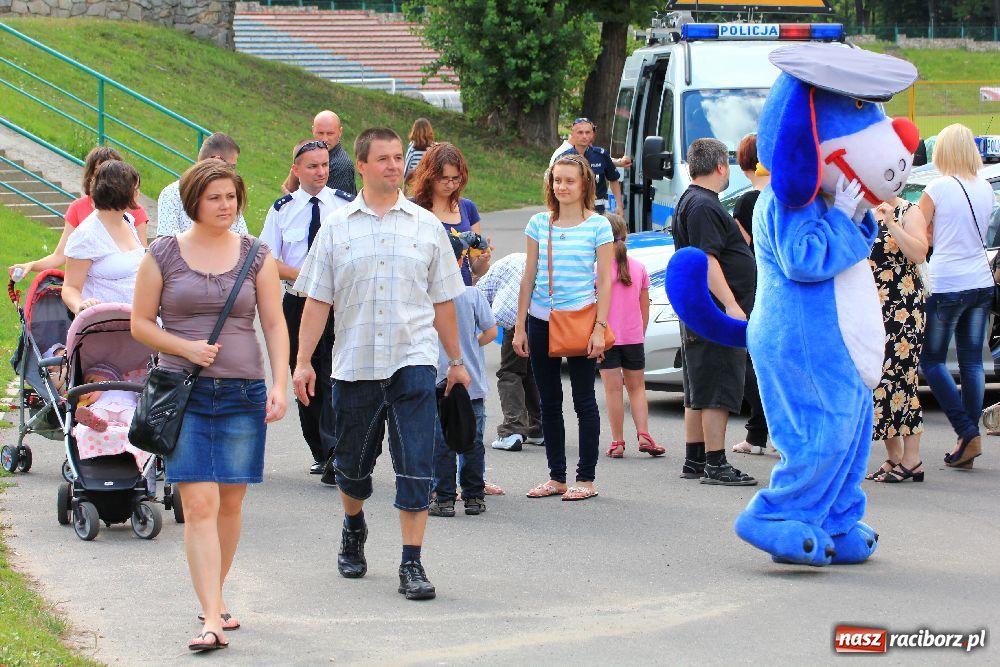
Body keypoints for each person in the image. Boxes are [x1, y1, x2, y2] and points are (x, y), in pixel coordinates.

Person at [292, 127, 468, 601]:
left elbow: (444, 302)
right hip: (354, 367)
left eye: (398, 158)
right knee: (352, 467)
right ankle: (353, 526)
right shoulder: (336, 227)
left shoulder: (426, 225)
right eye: (384, 159)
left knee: (416, 466)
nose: (394, 165)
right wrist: (303, 361)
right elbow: (316, 302)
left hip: (412, 363)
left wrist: (456, 361)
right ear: (363, 166)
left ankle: (411, 563)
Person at [131, 159, 288, 652]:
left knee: (232, 503)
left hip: (244, 393)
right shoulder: (162, 254)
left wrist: (280, 382)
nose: (226, 205)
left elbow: (274, 323)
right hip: (186, 394)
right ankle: (211, 619)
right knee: (200, 503)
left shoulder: (255, 255)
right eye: (215, 196)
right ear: (193, 201)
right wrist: (185, 348)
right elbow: (140, 324)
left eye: (231, 196)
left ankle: (214, 599)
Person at [513, 153, 614, 502]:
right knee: (548, 401)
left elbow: (605, 281)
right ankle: (556, 477)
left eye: (570, 180)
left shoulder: (599, 226)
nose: (562, 186)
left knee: (584, 400)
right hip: (541, 320)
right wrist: (520, 327)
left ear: (584, 183)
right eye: (557, 180)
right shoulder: (539, 223)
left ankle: (585, 478)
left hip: (582, 321)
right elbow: (528, 278)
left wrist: (600, 328)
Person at [260, 139, 353, 477]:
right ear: (296, 170)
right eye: (312, 166)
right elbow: (267, 259)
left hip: (336, 306)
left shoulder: (344, 206)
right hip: (298, 303)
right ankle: (319, 447)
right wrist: (305, 272)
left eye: (325, 165)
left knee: (332, 375)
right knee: (303, 376)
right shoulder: (283, 209)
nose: (321, 172)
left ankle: (335, 451)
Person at [672, 138, 757, 486]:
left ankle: (694, 458)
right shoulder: (705, 206)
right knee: (718, 384)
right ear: (721, 166)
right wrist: (732, 305)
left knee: (698, 385)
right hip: (715, 312)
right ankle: (716, 462)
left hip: (700, 309)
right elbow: (708, 259)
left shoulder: (690, 201)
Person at [917, 123, 996, 469]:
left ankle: (966, 431)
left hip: (948, 281)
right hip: (981, 279)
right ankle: (968, 437)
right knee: (973, 362)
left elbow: (919, 234)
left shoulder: (937, 187)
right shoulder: (986, 189)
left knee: (930, 360)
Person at [429, 235, 498, 517]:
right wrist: (471, 343)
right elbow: (492, 332)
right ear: (461, 260)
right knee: (472, 441)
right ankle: (473, 497)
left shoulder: (427, 296)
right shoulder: (472, 295)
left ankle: (444, 498)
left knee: (441, 441)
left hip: (438, 381)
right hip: (472, 384)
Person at [8, 146, 148, 280]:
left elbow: (142, 257)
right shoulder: (78, 208)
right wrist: (32, 265)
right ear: (91, 177)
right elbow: (60, 255)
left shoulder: (134, 211)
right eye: (99, 170)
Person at [864, 198, 928, 483]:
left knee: (903, 378)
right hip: (871, 308)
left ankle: (912, 459)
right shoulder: (864, 211)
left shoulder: (908, 211)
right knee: (878, 380)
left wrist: (891, 223)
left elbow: (919, 253)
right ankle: (895, 455)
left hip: (903, 308)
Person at [599, 214, 663, 459]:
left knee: (613, 391)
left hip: (606, 338)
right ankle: (644, 434)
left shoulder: (597, 269)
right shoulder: (639, 268)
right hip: (634, 338)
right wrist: (640, 332)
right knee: (637, 389)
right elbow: (644, 307)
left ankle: (617, 442)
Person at [730, 133, 771, 456]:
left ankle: (758, 430)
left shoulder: (746, 202)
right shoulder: (783, 198)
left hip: (754, 287)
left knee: (749, 359)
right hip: (781, 286)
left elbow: (740, 249)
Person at [477, 252, 544, 452]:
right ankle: (539, 428)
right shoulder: (525, 261)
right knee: (531, 372)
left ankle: (512, 430)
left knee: (510, 372)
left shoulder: (488, 281)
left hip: (517, 319)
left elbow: (482, 309)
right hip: (542, 318)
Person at [61, 161, 146, 314]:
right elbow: (70, 288)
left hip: (140, 321)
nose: (138, 193)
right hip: (106, 327)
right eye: (136, 188)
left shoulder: (128, 220)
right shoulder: (86, 235)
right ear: (123, 192)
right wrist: (80, 306)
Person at [409, 142, 490, 285]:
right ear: (429, 175)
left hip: (462, 292)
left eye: (456, 178)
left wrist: (483, 260)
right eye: (444, 178)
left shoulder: (468, 208)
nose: (451, 185)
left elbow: (477, 270)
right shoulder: (412, 207)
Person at [156, 133, 248, 237]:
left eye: (230, 197)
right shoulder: (172, 193)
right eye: (231, 167)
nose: (233, 173)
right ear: (216, 160)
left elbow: (243, 241)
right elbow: (166, 245)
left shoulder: (228, 195)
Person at [555, 117, 632, 214]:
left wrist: (619, 206)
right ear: (573, 134)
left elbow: (613, 179)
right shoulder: (563, 158)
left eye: (587, 132)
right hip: (572, 211)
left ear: (592, 135)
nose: (584, 136)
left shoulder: (601, 155)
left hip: (598, 211)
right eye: (580, 132)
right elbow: (555, 185)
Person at [282, 110, 357, 195]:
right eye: (320, 133)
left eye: (330, 133)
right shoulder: (309, 153)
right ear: (313, 130)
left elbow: (321, 204)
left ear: (340, 132)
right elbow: (286, 188)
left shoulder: (342, 166)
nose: (324, 139)